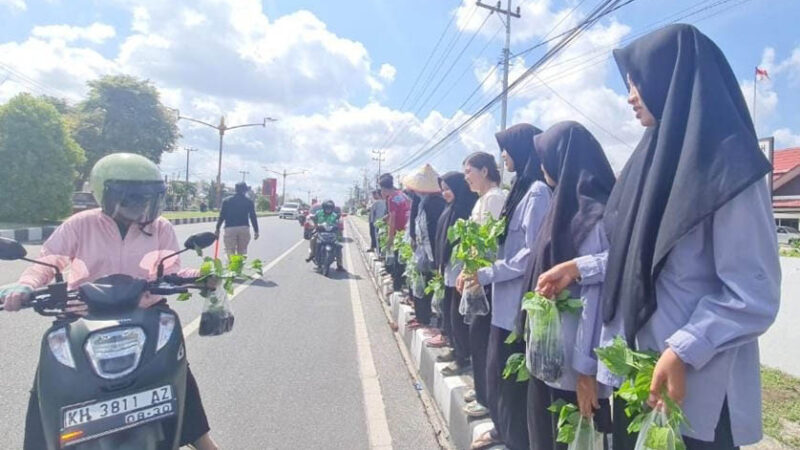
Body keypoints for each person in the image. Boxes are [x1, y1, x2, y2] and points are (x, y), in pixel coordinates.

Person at [536, 24, 780, 449]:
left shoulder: (730, 169)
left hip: (692, 395)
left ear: (673, 79)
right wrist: (580, 267)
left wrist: (685, 348)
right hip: (640, 378)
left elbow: (752, 292)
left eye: (638, 82)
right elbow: (636, 259)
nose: (630, 96)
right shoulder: (646, 165)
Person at [0, 153, 219, 450]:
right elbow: (48, 262)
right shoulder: (80, 224)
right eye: (132, 197)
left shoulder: (161, 227)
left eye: (148, 198)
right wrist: (24, 285)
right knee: (52, 386)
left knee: (177, 374)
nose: (141, 205)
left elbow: (171, 270)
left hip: (145, 313)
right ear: (106, 194)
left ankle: (202, 441)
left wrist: (202, 276)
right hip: (82, 315)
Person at [523, 121, 616, 450]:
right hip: (551, 357)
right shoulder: (563, 208)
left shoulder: (594, 215)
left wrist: (586, 371)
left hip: (575, 371)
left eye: (545, 156)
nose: (542, 165)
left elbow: (598, 299)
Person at [460, 124, 551, 450]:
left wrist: (487, 273)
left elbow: (531, 254)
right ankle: (503, 431)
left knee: (510, 380)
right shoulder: (521, 189)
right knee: (497, 373)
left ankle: (514, 439)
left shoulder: (538, 192)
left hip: (516, 306)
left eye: (507, 149)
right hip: (503, 303)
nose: (503, 157)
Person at [449, 152, 506, 422]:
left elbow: (489, 245)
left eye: (469, 171)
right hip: (477, 280)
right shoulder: (481, 200)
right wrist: (465, 270)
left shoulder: (495, 198)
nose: (466, 177)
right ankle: (482, 391)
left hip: (488, 281)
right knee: (477, 337)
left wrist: (473, 271)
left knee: (482, 340)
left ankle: (486, 398)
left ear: (485, 171)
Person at [432, 172, 478, 366]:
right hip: (449, 269)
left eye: (448, 189)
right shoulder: (450, 208)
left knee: (458, 316)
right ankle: (454, 348)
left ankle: (462, 356)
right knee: (450, 313)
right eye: (443, 190)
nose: (445, 193)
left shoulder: (465, 208)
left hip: (462, 270)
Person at [403, 164, 447, 332]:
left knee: (427, 283)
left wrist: (433, 257)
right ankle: (421, 316)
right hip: (423, 250)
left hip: (431, 251)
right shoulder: (421, 201)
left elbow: (432, 230)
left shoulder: (434, 203)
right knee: (420, 281)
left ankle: (426, 318)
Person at [379, 173, 412, 291]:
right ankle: (400, 283)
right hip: (408, 230)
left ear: (383, 188)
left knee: (398, 260)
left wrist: (390, 237)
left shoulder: (392, 198)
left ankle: (397, 286)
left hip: (400, 232)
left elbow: (392, 220)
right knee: (404, 260)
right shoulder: (402, 194)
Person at [215, 181, 259, 256]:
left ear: (236, 190)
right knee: (242, 253)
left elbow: (222, 215)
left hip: (230, 228)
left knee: (230, 252)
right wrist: (256, 231)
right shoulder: (249, 202)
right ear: (245, 190)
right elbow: (253, 216)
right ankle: (240, 267)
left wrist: (217, 228)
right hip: (244, 228)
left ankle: (231, 266)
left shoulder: (227, 201)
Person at [305, 200, 344, 271]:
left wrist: (338, 227)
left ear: (332, 208)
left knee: (338, 246)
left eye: (330, 208)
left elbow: (338, 222)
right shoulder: (319, 213)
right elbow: (312, 218)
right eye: (327, 208)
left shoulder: (334, 215)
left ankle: (340, 265)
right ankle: (311, 255)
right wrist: (313, 222)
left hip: (331, 233)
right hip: (319, 231)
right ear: (323, 207)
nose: (328, 210)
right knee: (313, 238)